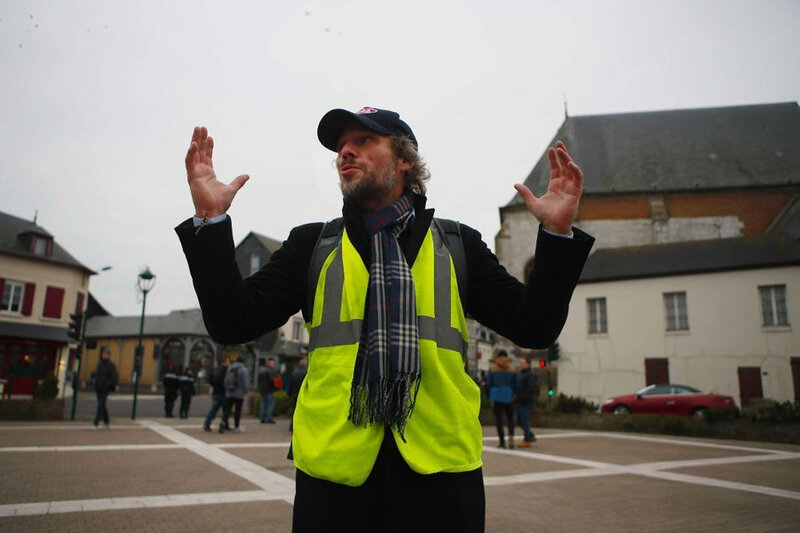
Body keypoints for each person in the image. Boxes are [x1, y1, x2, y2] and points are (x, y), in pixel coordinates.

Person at [176, 106, 594, 531]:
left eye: (363, 142)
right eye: (340, 147)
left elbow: (534, 327)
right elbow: (232, 323)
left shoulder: (457, 245)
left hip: (442, 474)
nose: (346, 153)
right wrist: (210, 222)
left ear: (404, 159)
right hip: (335, 476)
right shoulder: (312, 245)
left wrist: (557, 236)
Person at [487, 351, 517, 449]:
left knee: (499, 420)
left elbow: (489, 384)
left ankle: (502, 442)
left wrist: (489, 395)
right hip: (509, 396)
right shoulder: (512, 370)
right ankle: (511, 438)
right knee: (510, 419)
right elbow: (516, 384)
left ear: (498, 357)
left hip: (496, 396)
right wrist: (514, 394)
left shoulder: (493, 369)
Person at [515, 357, 539, 448]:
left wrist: (524, 398)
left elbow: (530, 389)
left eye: (523, 363)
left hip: (525, 401)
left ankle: (527, 440)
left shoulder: (530, 375)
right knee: (519, 420)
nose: (521, 364)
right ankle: (530, 435)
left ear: (528, 364)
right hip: (520, 400)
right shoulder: (522, 373)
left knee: (524, 420)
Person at [221, 356, 249, 433]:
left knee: (227, 410)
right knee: (237, 410)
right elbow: (245, 383)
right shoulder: (244, 370)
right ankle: (236, 426)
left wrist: (227, 389)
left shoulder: (230, 368)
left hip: (229, 393)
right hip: (239, 394)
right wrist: (245, 391)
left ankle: (223, 422)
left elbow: (225, 380)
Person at [93, 348, 118, 429]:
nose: (104, 355)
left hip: (105, 387)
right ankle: (106, 421)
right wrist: (95, 382)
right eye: (103, 353)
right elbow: (97, 374)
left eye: (106, 354)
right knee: (102, 404)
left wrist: (108, 384)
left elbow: (113, 376)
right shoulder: (99, 364)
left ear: (109, 355)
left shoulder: (111, 365)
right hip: (98, 386)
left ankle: (96, 421)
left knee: (101, 403)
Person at [203, 355, 230, 431]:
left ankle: (207, 424)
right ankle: (223, 424)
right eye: (228, 361)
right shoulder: (226, 369)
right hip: (224, 393)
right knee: (226, 410)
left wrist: (214, 386)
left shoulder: (215, 369)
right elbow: (228, 381)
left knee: (213, 410)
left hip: (215, 392)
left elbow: (210, 380)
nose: (229, 363)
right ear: (225, 362)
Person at [287, 358, 308, 432]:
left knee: (294, 410)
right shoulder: (307, 373)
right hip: (303, 395)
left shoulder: (294, 373)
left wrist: (289, 393)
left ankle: (292, 425)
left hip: (294, 394)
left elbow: (290, 385)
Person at [257, 359, 278, 424]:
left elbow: (259, 380)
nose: (274, 365)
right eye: (273, 364)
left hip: (262, 390)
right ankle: (269, 418)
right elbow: (272, 381)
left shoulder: (261, 371)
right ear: (270, 365)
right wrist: (276, 387)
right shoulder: (271, 371)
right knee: (270, 404)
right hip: (269, 390)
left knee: (263, 404)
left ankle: (262, 418)